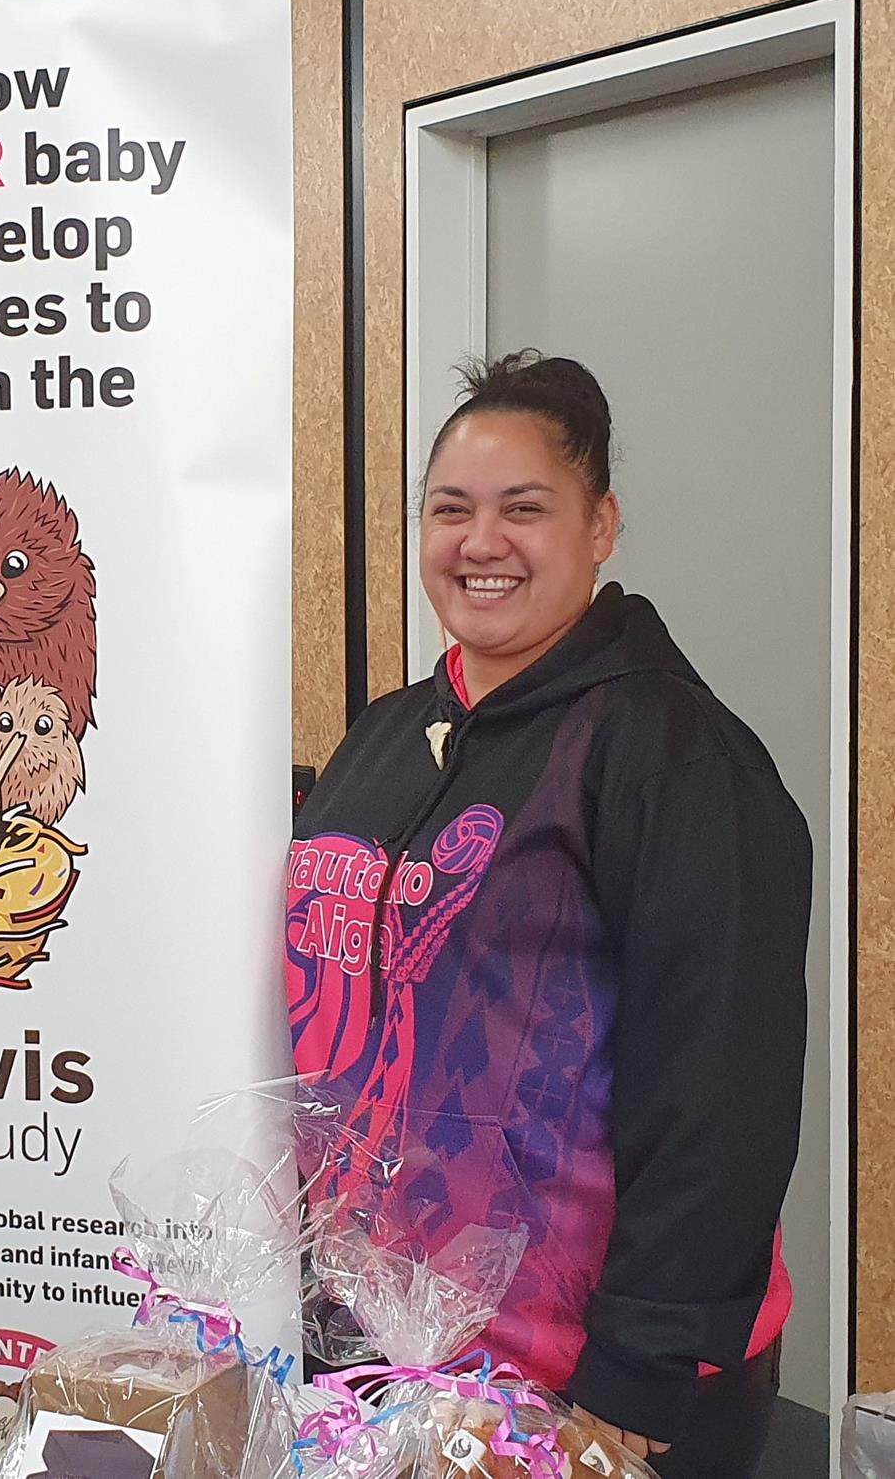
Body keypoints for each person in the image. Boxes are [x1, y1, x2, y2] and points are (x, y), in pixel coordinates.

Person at [285, 353, 809, 1478]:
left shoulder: (675, 758)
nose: (482, 541)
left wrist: (639, 1372)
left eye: (524, 508)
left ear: (601, 524)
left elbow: (724, 1084)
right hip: (373, 1348)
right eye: (451, 509)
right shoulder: (383, 738)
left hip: (582, 1382)